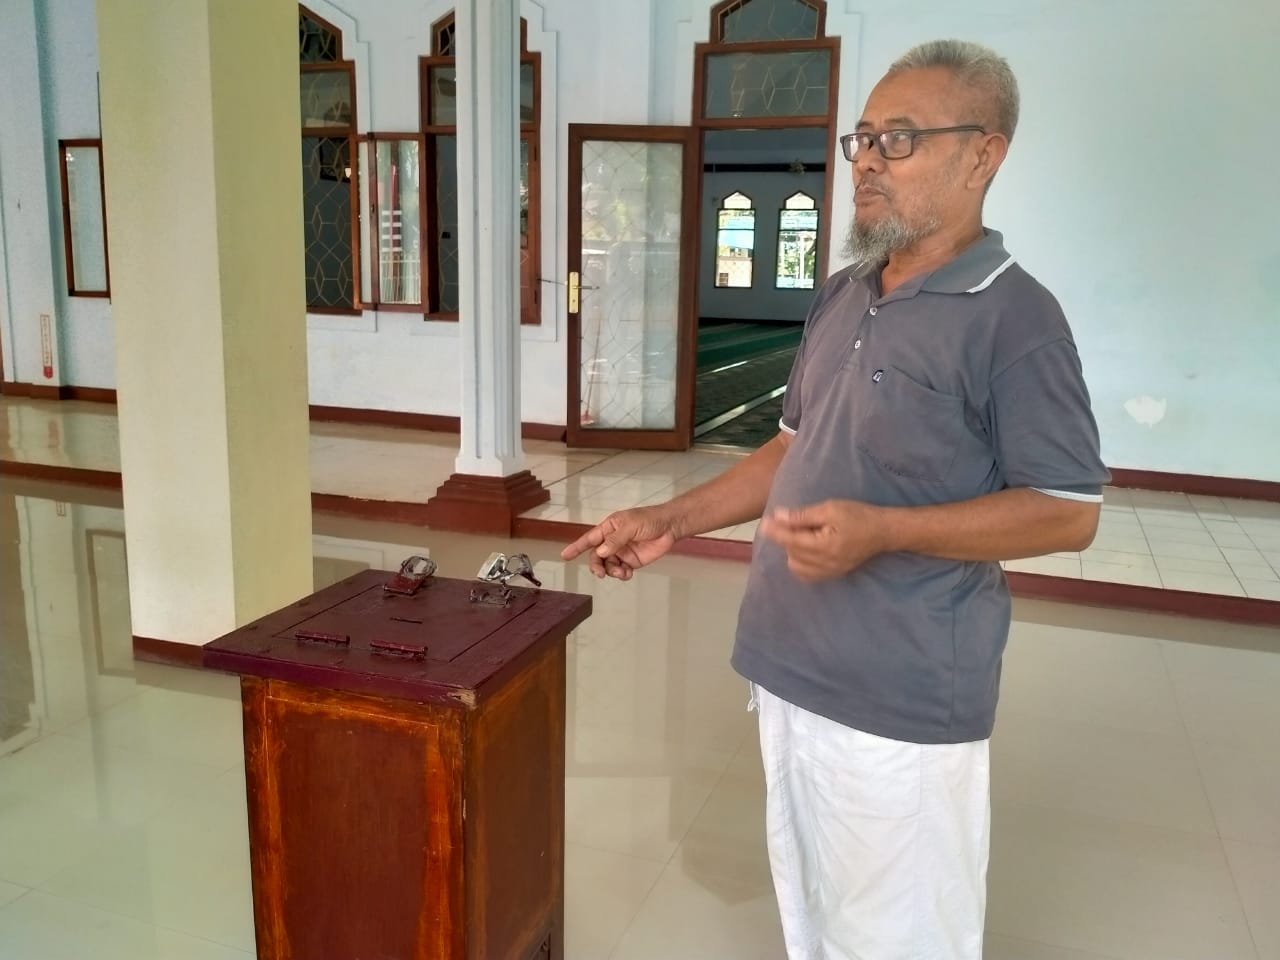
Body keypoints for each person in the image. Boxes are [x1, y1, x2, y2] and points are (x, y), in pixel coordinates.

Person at [561, 39, 1108, 960]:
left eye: (899, 140)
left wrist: (883, 532)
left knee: (901, 936)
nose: (864, 160)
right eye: (863, 138)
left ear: (984, 154)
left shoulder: (1017, 319)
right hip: (789, 666)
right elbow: (791, 448)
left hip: (900, 696)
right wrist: (669, 519)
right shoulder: (846, 293)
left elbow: (1067, 507)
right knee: (813, 911)